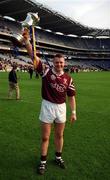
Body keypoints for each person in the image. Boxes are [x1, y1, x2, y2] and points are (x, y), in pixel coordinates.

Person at [23, 29, 77, 175]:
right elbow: (33, 56)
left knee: (59, 136)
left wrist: (73, 112)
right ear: (53, 62)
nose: (59, 64)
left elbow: (71, 96)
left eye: (61, 62)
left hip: (61, 108)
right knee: (45, 137)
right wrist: (27, 41)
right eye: (57, 62)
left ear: (64, 63)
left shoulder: (68, 79)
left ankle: (58, 157)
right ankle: (43, 162)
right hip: (47, 106)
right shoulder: (46, 72)